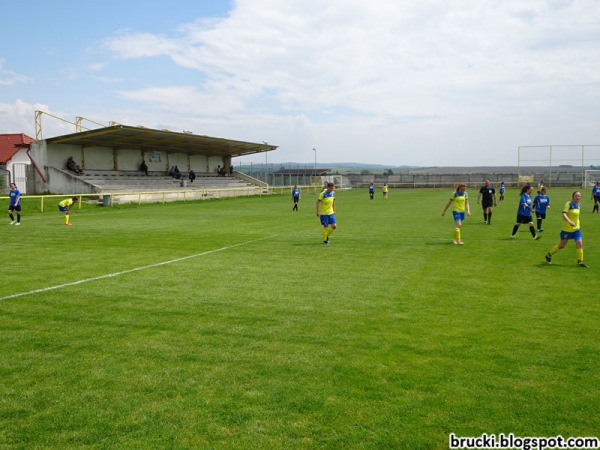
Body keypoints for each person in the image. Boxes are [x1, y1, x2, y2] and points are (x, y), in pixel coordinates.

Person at [545, 191, 588, 268]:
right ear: (573, 197)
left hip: (576, 229)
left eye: (579, 196)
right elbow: (564, 214)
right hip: (567, 229)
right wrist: (569, 221)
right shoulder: (569, 204)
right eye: (576, 196)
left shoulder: (578, 205)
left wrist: (575, 223)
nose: (578, 198)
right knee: (562, 245)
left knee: (579, 244)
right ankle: (548, 255)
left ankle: (580, 262)